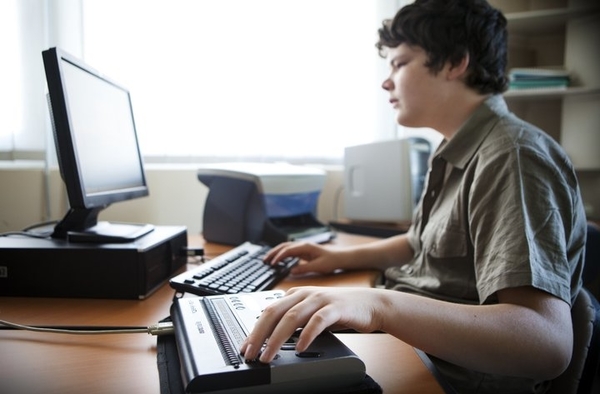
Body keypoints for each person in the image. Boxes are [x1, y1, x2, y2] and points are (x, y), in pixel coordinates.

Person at [240, 0, 587, 392]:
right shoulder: (455, 147)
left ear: (456, 62)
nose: (386, 81)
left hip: (448, 375)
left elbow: (545, 343)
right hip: (415, 345)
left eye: (400, 63)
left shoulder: (512, 157)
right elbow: (421, 242)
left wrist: (379, 305)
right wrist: (339, 259)